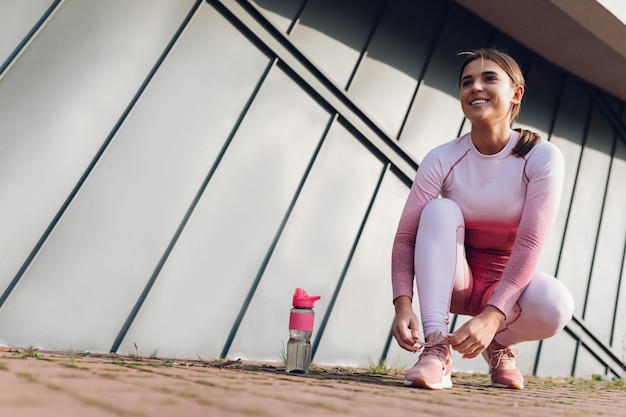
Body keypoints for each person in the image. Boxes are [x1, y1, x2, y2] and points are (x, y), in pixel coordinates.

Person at [391, 47, 575, 390]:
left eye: (489, 78)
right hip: (455, 282)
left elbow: (531, 242)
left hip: (508, 288)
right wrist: (402, 304)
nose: (475, 87)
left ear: (516, 94)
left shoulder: (542, 157)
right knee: (439, 211)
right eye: (467, 82)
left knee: (557, 305)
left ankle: (500, 343)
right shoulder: (442, 158)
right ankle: (435, 350)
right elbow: (405, 238)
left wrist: (493, 317)